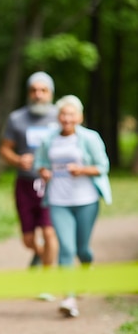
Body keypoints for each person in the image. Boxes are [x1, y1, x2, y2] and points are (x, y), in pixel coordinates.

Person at [34, 95, 112, 318]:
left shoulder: (90, 138)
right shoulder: (49, 139)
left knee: (82, 249)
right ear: (58, 117)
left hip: (86, 200)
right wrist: (44, 171)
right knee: (66, 248)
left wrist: (82, 170)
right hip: (58, 200)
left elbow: (102, 166)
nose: (66, 118)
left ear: (79, 117)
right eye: (63, 114)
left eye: (71, 114)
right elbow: (40, 164)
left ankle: (87, 265)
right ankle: (69, 297)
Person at [0, 72, 59, 272]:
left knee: (50, 232)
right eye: (34, 90)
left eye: (43, 90)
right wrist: (17, 160)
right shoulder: (17, 118)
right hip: (25, 183)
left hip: (51, 185)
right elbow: (5, 149)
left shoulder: (60, 117)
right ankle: (41, 254)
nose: (38, 94)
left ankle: (47, 278)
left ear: (51, 93)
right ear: (28, 93)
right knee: (28, 239)